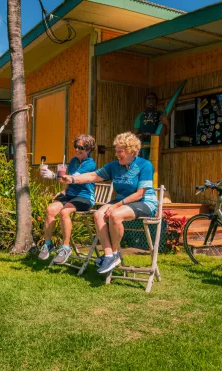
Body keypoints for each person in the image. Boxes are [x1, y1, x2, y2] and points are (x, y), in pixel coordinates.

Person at [58, 132, 158, 274]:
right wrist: (72, 179)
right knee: (98, 214)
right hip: (122, 201)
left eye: (120, 151)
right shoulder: (114, 166)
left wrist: (115, 206)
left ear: (132, 151)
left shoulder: (145, 165)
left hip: (144, 202)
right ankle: (109, 254)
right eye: (116, 151)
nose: (116, 154)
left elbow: (139, 194)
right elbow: (93, 176)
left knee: (115, 215)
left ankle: (115, 253)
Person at [38, 134, 97, 264]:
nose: (76, 149)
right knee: (50, 210)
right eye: (75, 146)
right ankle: (48, 244)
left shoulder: (90, 164)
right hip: (70, 195)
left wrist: (52, 175)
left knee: (65, 212)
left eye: (80, 147)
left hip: (85, 197)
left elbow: (70, 178)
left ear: (88, 149)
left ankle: (65, 247)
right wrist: (64, 191)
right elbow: (68, 182)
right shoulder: (74, 161)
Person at [134, 93, 170, 159]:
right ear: (145, 102)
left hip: (157, 147)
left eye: (153, 98)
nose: (151, 100)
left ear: (156, 101)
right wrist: (142, 135)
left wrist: (166, 123)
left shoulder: (161, 114)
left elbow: (165, 132)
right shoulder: (140, 116)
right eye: (149, 98)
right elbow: (135, 135)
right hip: (143, 147)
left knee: (154, 166)